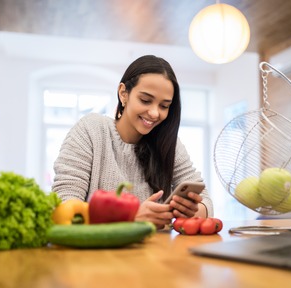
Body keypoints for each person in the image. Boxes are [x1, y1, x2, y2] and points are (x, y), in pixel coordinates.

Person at [52, 55, 213, 229]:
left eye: (164, 106)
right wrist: (130, 217)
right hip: (97, 253)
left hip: (155, 253)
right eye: (145, 100)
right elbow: (63, 204)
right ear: (123, 93)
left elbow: (205, 199)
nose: (154, 113)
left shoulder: (168, 142)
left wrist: (193, 210)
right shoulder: (91, 129)